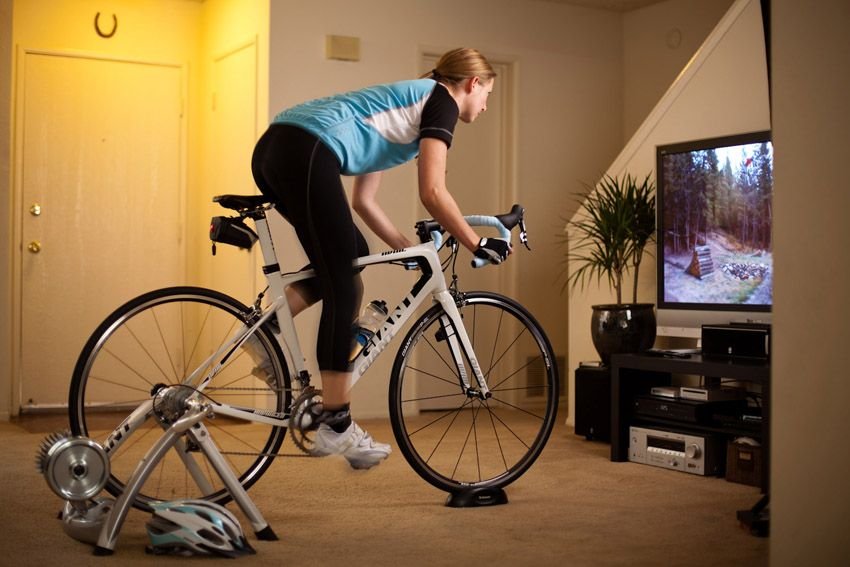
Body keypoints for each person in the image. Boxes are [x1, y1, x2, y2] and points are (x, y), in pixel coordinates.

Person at [251, 47, 511, 470]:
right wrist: (476, 243)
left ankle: (265, 332)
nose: (484, 106)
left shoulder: (411, 104)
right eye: (488, 95)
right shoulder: (440, 102)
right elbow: (433, 192)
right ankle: (335, 424)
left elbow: (364, 201)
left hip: (278, 149)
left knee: (351, 256)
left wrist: (403, 246)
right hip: (304, 149)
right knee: (345, 286)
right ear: (473, 83)